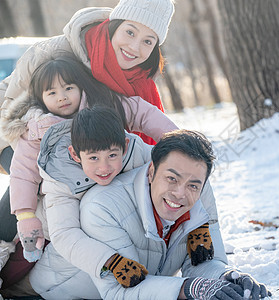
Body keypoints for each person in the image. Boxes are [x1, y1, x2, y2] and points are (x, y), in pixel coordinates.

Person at [0, 0, 176, 244]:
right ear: (114, 26)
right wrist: (45, 129)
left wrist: (178, 143)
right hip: (19, 137)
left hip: (85, 147)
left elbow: (140, 114)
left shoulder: (138, 79)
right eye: (130, 32)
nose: (134, 47)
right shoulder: (52, 54)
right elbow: (10, 109)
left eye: (148, 41)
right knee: (43, 183)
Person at [0, 55, 180, 291]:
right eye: (51, 93)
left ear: (80, 87)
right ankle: (9, 283)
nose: (62, 97)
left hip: (107, 187)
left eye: (68, 88)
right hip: (61, 193)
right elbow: (23, 174)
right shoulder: (38, 128)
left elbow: (141, 113)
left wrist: (177, 142)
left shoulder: (104, 105)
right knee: (36, 243)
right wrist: (24, 214)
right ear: (41, 98)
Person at [30, 128, 270, 300]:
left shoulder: (201, 195)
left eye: (193, 185)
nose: (179, 193)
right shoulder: (102, 207)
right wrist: (188, 289)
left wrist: (225, 277)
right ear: (152, 170)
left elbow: (201, 263)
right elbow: (118, 290)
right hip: (58, 290)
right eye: (171, 178)